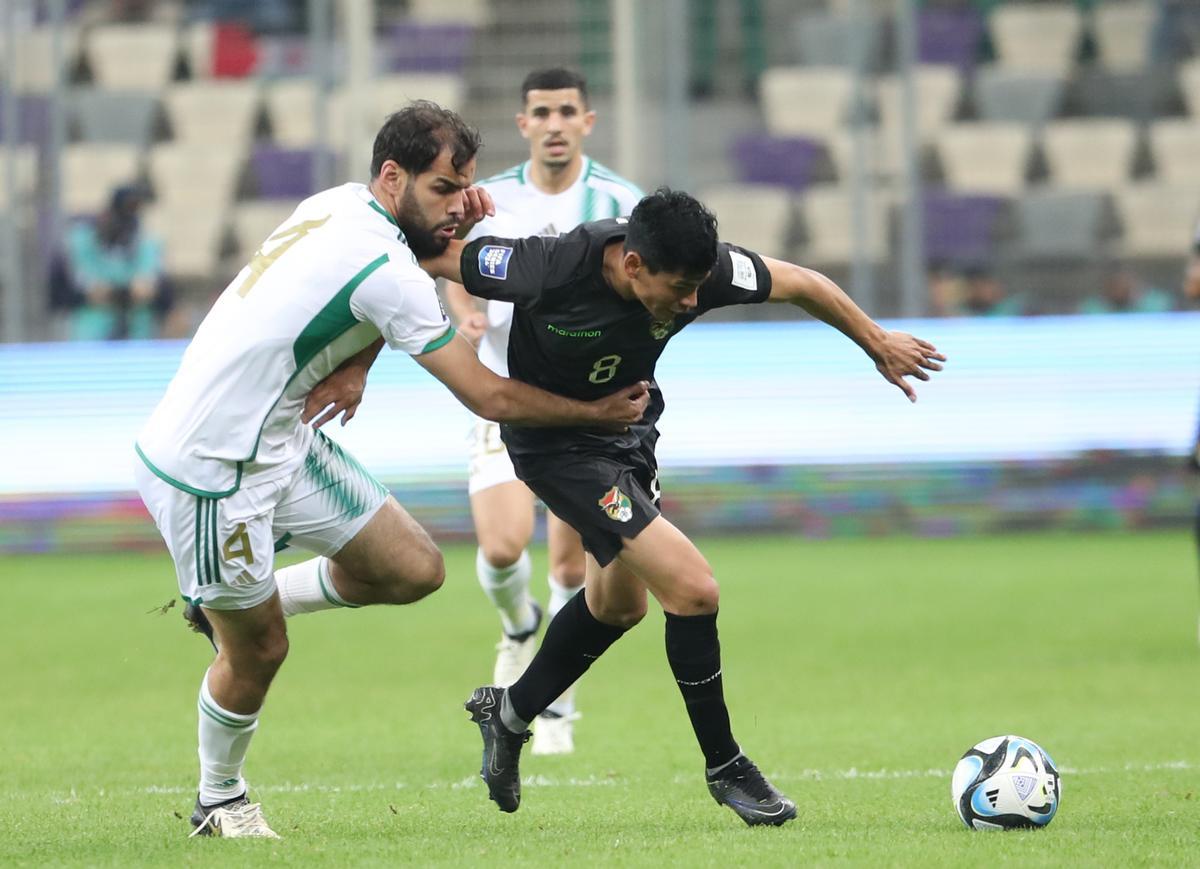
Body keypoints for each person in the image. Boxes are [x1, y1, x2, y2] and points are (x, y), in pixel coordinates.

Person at [316, 188, 945, 826]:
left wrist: (876, 341)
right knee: (693, 589)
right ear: (634, 265)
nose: (694, 302)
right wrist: (359, 362)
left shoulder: (701, 270)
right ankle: (726, 766)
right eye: (681, 289)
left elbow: (803, 282)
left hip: (629, 439)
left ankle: (507, 714)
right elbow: (414, 261)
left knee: (618, 606)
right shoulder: (544, 267)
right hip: (556, 451)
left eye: (700, 286)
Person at [134, 101, 650, 839]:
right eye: (444, 189)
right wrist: (597, 414)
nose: (456, 208)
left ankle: (227, 600)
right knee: (262, 647)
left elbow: (370, 276)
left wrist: (357, 358)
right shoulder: (385, 264)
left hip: (280, 436)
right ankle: (218, 800)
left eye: (464, 188)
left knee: (413, 567)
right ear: (391, 175)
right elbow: (488, 393)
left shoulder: (340, 206)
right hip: (215, 466)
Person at [440, 67, 643, 756]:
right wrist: (466, 314)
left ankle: (554, 702)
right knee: (500, 549)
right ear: (522, 124)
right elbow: (447, 264)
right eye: (540, 112)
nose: (554, 123)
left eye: (566, 111)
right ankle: (518, 623)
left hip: (583, 406)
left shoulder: (622, 202)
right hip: (502, 395)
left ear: (588, 121)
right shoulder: (487, 200)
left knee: (565, 564)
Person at [59, 184, 171, 340]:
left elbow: (148, 288)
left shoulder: (145, 242)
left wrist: (134, 291)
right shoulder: (83, 240)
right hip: (92, 336)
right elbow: (85, 289)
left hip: (137, 334)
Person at [1077, 264, 1174, 315]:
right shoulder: (1091, 308)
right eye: (1113, 284)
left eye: (1124, 282)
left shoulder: (1158, 303)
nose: (1119, 288)